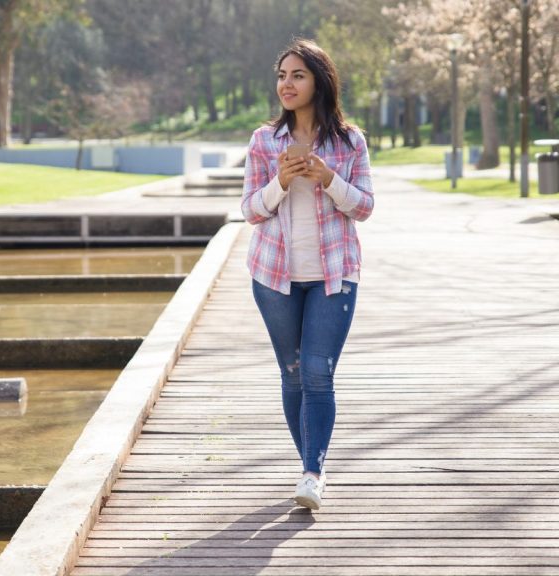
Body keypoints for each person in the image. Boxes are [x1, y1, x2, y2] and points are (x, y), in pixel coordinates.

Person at [240, 38, 374, 511]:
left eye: (297, 75)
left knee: (319, 373)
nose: (287, 84)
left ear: (319, 80)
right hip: (274, 277)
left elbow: (365, 208)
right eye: (281, 75)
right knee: (293, 373)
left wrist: (328, 179)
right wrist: (279, 182)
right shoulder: (264, 141)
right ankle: (309, 467)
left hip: (334, 276)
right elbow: (250, 212)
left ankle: (313, 473)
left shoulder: (349, 142)